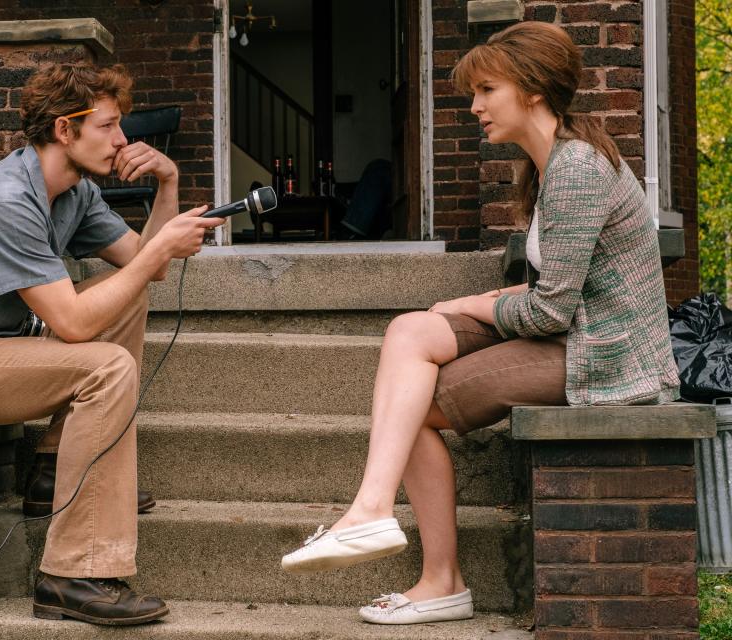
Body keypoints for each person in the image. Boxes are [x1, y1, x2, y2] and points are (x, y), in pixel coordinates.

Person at [280, 21, 680, 625]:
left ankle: (433, 574)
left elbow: (551, 310)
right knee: (409, 332)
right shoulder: (553, 162)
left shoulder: (575, 170)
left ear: (532, 90)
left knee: (415, 406)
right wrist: (481, 298)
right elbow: (557, 286)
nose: (474, 107)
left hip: (608, 355)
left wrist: (470, 305)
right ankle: (371, 510)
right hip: (576, 329)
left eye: (486, 90)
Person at [0, 63, 223, 626]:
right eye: (110, 127)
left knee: (127, 295)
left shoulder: (76, 194)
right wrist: (159, 252)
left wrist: (168, 183)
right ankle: (73, 574)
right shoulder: (1, 195)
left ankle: (49, 475)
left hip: (2, 352)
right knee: (108, 367)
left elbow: (145, 268)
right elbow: (69, 321)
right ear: (65, 131)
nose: (123, 141)